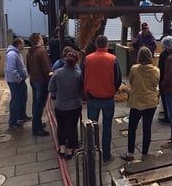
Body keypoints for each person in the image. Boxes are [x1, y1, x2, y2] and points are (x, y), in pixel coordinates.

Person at [82, 35, 122, 164]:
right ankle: (106, 156)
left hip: (92, 98)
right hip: (108, 99)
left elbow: (82, 77)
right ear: (107, 44)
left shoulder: (88, 59)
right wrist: (112, 90)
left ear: (96, 44)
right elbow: (118, 79)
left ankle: (92, 156)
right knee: (107, 127)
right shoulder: (113, 59)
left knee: (91, 128)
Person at [120, 47, 160, 162]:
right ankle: (145, 154)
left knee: (132, 128)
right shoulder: (156, 70)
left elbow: (131, 82)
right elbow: (156, 83)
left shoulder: (134, 69)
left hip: (137, 102)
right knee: (147, 128)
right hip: (150, 103)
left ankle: (130, 153)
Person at [48, 51, 83, 160]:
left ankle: (62, 147)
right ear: (76, 61)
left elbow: (50, 88)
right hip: (75, 105)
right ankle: (70, 149)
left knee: (61, 126)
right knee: (72, 127)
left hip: (60, 105)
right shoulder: (78, 74)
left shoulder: (57, 72)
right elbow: (81, 91)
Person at [26, 33, 52, 137]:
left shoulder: (29, 53)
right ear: (38, 40)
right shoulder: (42, 52)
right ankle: (36, 129)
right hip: (42, 81)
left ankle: (37, 123)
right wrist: (52, 77)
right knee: (39, 105)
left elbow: (28, 68)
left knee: (36, 104)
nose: (43, 40)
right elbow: (47, 69)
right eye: (41, 38)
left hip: (33, 80)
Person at [4, 37, 31, 130]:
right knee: (16, 101)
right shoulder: (12, 54)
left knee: (23, 98)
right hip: (15, 82)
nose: (24, 45)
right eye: (22, 43)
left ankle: (22, 116)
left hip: (19, 81)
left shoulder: (17, 53)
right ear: (18, 44)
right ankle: (13, 122)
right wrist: (19, 79)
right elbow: (11, 69)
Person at [158, 28, 172, 124]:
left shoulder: (164, 56)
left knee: (165, 100)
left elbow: (161, 68)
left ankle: (168, 117)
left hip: (165, 80)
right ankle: (170, 115)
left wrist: (162, 83)